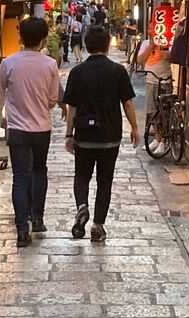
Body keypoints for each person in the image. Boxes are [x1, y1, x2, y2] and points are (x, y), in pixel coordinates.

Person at [63, 26, 140, 242]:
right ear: (107, 44)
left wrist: (69, 134)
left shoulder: (77, 73)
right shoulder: (117, 71)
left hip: (85, 136)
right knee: (105, 180)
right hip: (109, 136)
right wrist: (134, 128)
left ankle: (82, 207)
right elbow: (127, 103)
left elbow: (72, 108)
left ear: (86, 45)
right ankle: (97, 225)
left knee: (81, 175)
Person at [0, 17, 61, 248]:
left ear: (21, 38)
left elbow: (0, 91)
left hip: (17, 129)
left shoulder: (9, 63)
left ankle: (22, 229)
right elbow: (53, 100)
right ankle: (38, 219)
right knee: (39, 171)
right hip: (41, 128)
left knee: (20, 178)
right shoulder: (50, 65)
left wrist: (0, 115)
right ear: (43, 39)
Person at [137, 25, 172, 156]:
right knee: (152, 112)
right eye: (149, 29)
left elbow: (169, 56)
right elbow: (140, 60)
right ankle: (157, 139)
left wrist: (160, 45)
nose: (150, 32)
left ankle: (163, 141)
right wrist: (151, 46)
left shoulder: (166, 43)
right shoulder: (146, 43)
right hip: (150, 81)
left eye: (153, 29)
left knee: (164, 112)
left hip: (164, 81)